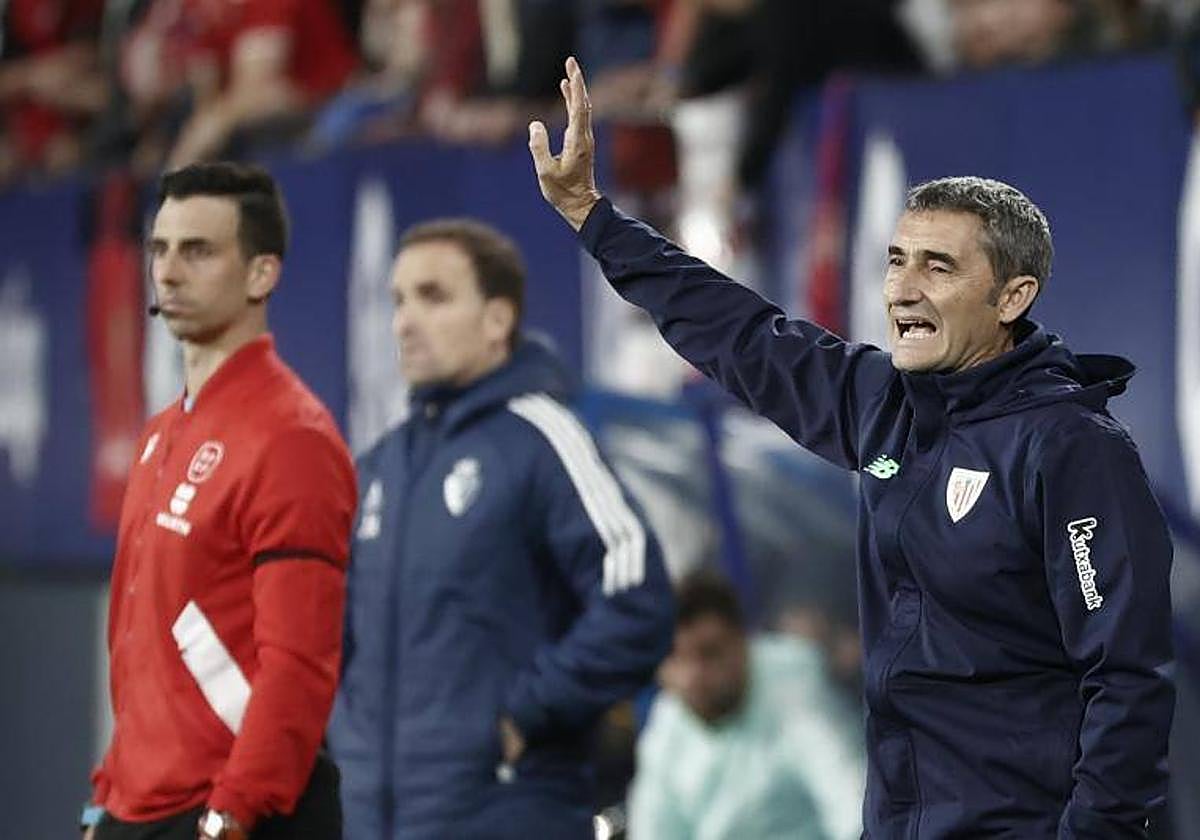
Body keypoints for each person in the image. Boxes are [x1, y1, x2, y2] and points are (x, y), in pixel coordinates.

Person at [529, 57, 1175, 838]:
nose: (903, 288)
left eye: (938, 266)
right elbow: (742, 334)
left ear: (1012, 296)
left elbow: (1127, 677)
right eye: (896, 261)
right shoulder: (884, 407)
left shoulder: (1071, 449)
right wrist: (596, 219)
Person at [326, 218, 675, 839]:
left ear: (497, 318)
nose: (404, 322)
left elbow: (636, 602)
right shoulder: (381, 468)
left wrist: (527, 712)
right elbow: (337, 639)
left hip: (504, 810)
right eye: (398, 300)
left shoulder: (544, 439)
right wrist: (345, 742)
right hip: (373, 819)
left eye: (433, 297)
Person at [82, 162, 357, 840]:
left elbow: (299, 663)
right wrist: (105, 797)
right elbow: (136, 644)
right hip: (135, 810)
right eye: (160, 249)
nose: (169, 272)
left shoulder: (291, 437)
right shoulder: (158, 436)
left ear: (262, 274)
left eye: (198, 251)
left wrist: (233, 812)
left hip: (234, 811)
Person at [629, 570, 864, 840]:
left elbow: (853, 803)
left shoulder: (794, 686)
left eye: (709, 653)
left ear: (742, 640)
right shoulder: (667, 719)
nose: (692, 675)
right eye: (674, 658)